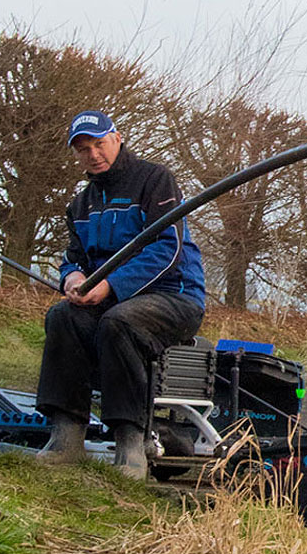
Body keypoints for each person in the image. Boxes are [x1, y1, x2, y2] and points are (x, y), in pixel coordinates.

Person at [36, 110, 206, 478]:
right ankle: (66, 437)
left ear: (116, 137)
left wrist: (111, 285)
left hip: (175, 296)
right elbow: (72, 258)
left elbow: (167, 250)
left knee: (119, 323)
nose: (93, 154)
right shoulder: (79, 206)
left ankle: (131, 442)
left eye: (99, 144)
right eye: (83, 149)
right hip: (113, 300)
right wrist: (73, 278)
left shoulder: (155, 180)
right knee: (62, 316)